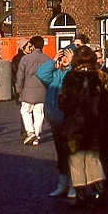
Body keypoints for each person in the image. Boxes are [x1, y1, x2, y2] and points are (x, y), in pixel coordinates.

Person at [58, 46, 108, 207]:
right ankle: (101, 193)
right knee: (94, 160)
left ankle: (81, 197)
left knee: (77, 161)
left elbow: (64, 103)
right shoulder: (103, 76)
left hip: (76, 126)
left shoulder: (72, 77)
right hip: (99, 126)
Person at [38, 46, 75, 198]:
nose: (64, 59)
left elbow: (75, 78)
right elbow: (41, 74)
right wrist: (53, 60)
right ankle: (62, 184)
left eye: (67, 56)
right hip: (55, 122)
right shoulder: (54, 75)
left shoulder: (72, 75)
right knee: (61, 154)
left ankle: (74, 185)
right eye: (63, 56)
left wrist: (73, 64)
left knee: (72, 154)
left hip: (69, 121)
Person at [14, 36, 50, 145]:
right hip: (42, 90)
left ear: (33, 46)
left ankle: (30, 132)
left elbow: (20, 76)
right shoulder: (47, 59)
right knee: (39, 114)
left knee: (25, 111)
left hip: (27, 90)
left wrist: (18, 89)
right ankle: (37, 136)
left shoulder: (25, 59)